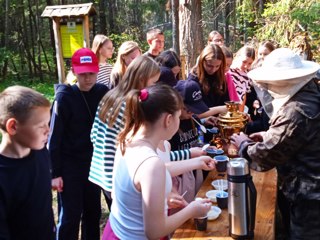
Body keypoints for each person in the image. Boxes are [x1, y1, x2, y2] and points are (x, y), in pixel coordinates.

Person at [104, 84, 215, 239]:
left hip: (115, 231)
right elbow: (155, 232)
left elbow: (157, 172)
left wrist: (196, 162)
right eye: (177, 116)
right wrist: (192, 210)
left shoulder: (128, 139)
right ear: (168, 120)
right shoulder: (151, 163)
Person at [230, 48, 320, 239]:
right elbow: (298, 137)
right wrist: (268, 134)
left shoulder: (296, 110)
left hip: (311, 197)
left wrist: (243, 145)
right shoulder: (309, 93)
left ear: (283, 81)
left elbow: (266, 155)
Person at [48, 48, 109, 240]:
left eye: (91, 72)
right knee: (70, 216)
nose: (88, 78)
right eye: (83, 74)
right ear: (74, 72)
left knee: (93, 212)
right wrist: (55, 173)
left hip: (94, 164)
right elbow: (54, 138)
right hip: (70, 166)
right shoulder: (64, 97)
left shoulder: (103, 92)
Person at [89, 55, 160, 211]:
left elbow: (93, 134)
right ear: (141, 78)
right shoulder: (133, 104)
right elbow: (136, 146)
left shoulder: (110, 95)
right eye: (153, 82)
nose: (154, 87)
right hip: (116, 175)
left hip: (98, 171)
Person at [0, 86, 55, 239]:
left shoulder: (40, 151)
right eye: (41, 125)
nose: (48, 130)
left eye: (48, 123)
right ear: (13, 126)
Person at [229, 45, 256, 111]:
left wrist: (241, 113)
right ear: (238, 57)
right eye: (244, 62)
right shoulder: (229, 71)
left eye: (250, 63)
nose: (246, 66)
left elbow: (243, 96)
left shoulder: (246, 75)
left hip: (239, 107)